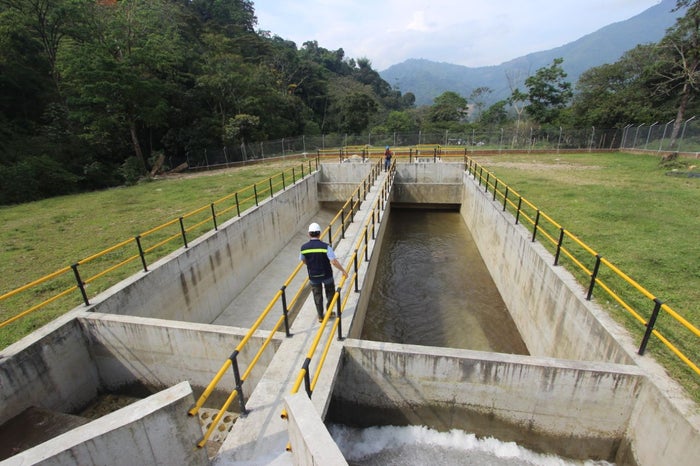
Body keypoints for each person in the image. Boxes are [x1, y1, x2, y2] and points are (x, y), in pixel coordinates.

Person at [300, 222, 348, 322]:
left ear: (309, 234)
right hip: (327, 275)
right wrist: (343, 271)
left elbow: (303, 260)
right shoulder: (326, 247)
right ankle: (329, 311)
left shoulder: (303, 248)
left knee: (317, 296)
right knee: (330, 294)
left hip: (313, 276)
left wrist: (311, 265)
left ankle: (320, 316)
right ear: (320, 233)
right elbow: (333, 261)